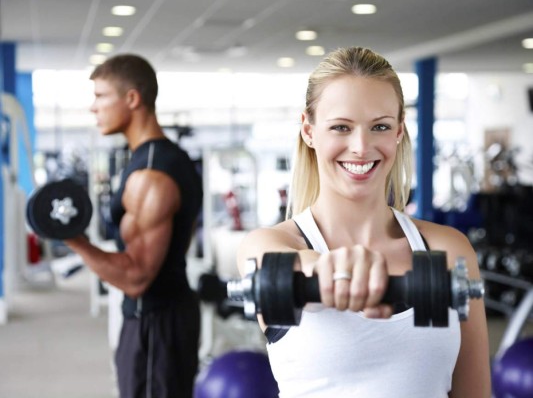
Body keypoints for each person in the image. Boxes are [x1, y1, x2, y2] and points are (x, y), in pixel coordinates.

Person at [237, 46, 491, 397]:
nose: (360, 146)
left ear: (399, 131)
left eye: (380, 126)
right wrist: (336, 268)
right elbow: (291, 267)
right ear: (309, 131)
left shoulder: (448, 249)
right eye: (341, 127)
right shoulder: (269, 245)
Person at [64, 54, 203, 398]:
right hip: (158, 317)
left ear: (132, 98)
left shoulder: (152, 175)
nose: (92, 108)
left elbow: (137, 276)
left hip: (156, 322)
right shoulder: (158, 159)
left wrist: (75, 241)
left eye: (100, 96)